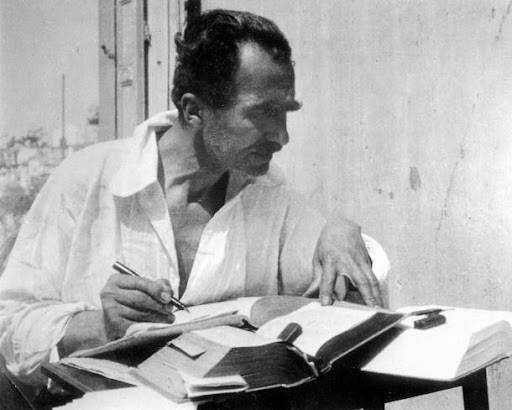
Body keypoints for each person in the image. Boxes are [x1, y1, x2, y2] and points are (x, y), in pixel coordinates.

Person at [0, 9, 385, 387]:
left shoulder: (269, 192)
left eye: (285, 112)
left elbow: (348, 279)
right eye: (263, 112)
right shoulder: (86, 180)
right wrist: (100, 325)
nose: (282, 136)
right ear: (193, 109)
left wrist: (339, 231)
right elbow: (10, 325)